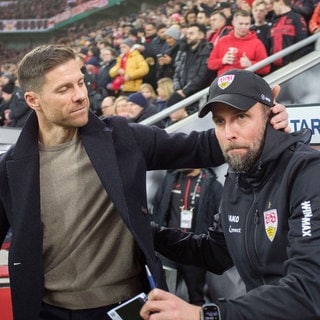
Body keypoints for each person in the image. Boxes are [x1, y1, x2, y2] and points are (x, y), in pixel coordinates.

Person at [0, 45, 288, 320]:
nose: (79, 95)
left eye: (80, 82)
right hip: (48, 311)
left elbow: (202, 147)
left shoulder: (121, 137)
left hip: (128, 306)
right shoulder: (9, 169)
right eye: (64, 89)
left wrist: (262, 121)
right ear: (33, 100)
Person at [140, 69, 320, 320]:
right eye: (220, 121)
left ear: (270, 115)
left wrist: (206, 315)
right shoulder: (238, 177)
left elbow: (309, 291)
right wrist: (148, 234)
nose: (229, 133)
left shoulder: (308, 172)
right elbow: (215, 252)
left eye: (241, 117)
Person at [152, 168, 223, 305]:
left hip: (194, 252)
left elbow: (220, 216)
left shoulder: (212, 184)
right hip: (168, 251)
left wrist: (208, 245)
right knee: (164, 295)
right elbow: (157, 206)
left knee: (196, 298)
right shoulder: (170, 179)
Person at [208, 10, 270, 76]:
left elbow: (266, 69)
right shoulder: (223, 40)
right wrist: (223, 60)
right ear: (233, 23)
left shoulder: (257, 43)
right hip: (223, 82)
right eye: (240, 24)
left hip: (244, 82)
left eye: (246, 24)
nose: (243, 27)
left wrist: (251, 64)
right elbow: (210, 64)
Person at [171, 22, 214, 114]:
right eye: (187, 33)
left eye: (191, 33)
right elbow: (177, 72)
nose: (187, 36)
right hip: (182, 95)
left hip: (197, 97)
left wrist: (185, 91)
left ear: (201, 35)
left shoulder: (207, 50)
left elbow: (203, 75)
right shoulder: (184, 51)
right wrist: (177, 89)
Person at [270, 0, 310, 71]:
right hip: (276, 69)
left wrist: (293, 61)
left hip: (293, 67)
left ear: (281, 2)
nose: (273, 8)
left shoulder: (297, 18)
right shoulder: (273, 22)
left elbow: (303, 42)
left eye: (273, 4)